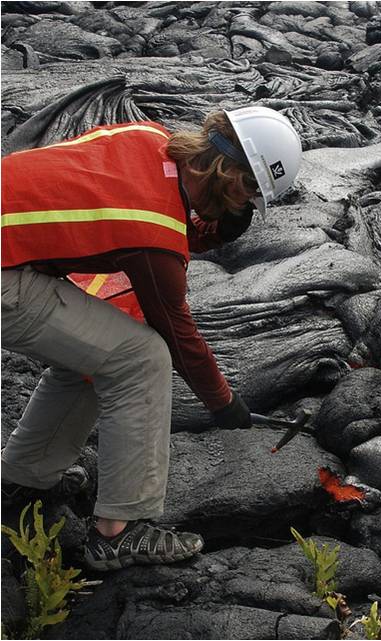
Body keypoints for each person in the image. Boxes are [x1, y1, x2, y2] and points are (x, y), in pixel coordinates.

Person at [1, 106, 302, 571]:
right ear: (236, 179)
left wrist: (206, 232)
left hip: (13, 250)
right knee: (141, 358)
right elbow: (177, 334)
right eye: (248, 199)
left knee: (99, 348)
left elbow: (123, 213)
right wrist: (224, 405)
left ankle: (25, 476)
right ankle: (121, 530)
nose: (242, 210)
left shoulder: (147, 136)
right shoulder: (153, 231)